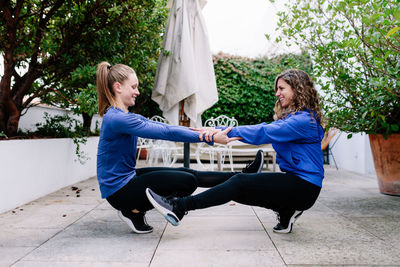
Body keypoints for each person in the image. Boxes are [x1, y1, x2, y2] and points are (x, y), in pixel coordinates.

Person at [146, 69, 325, 234]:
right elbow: (266, 129)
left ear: (297, 89)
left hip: (304, 186)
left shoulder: (303, 121)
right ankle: (286, 210)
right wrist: (217, 130)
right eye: (277, 89)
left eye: (281, 88)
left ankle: (179, 207)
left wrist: (220, 131)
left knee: (238, 182)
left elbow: (263, 132)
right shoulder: (294, 117)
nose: (277, 94)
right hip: (297, 184)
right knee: (234, 187)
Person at [96, 62, 262, 234]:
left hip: (126, 180)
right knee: (186, 182)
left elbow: (168, 127)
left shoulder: (123, 116)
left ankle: (243, 176)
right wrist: (208, 137)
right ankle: (133, 209)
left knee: (189, 173)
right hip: (120, 192)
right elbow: (166, 132)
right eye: (133, 87)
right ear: (118, 87)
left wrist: (209, 133)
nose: (137, 92)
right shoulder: (118, 119)